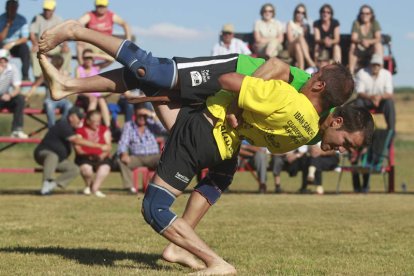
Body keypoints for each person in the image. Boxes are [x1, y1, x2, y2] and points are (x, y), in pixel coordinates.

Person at [38, 21, 374, 274]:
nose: (340, 150)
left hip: (223, 121)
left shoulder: (318, 126)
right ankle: (76, 32)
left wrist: (238, 123)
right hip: (236, 73)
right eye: (345, 144)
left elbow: (268, 131)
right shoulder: (310, 96)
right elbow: (278, 67)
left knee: (219, 173)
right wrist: (237, 108)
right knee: (150, 71)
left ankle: (68, 85)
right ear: (337, 122)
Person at [34, 106, 109, 195]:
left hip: (59, 159)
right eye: (79, 118)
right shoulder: (63, 125)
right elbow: (77, 140)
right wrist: (99, 146)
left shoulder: (73, 129)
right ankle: (46, 182)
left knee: (74, 169)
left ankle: (52, 185)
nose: (81, 120)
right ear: (71, 117)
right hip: (43, 153)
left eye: (82, 118)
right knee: (52, 156)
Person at [116, 103, 165, 193]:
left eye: (144, 115)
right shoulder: (129, 126)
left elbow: (164, 129)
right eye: (140, 115)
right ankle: (130, 188)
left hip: (153, 156)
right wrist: (123, 153)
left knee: (166, 160)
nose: (142, 118)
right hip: (137, 157)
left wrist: (152, 115)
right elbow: (123, 142)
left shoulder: (152, 124)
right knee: (121, 161)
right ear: (135, 114)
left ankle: (161, 187)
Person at [29, 0, 72, 85]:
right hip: (42, 46)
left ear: (54, 9)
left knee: (68, 51)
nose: (47, 11)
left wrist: (65, 45)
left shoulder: (59, 19)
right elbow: (32, 34)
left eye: (49, 9)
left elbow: (64, 34)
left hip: (55, 47)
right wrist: (35, 44)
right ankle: (38, 75)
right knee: (33, 51)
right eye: (45, 9)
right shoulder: (37, 18)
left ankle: (64, 73)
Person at [26, 54, 73, 128]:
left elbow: (69, 86)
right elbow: (35, 85)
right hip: (50, 99)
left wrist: (65, 77)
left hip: (63, 99)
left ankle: (62, 126)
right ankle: (52, 128)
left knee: (69, 105)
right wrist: (27, 96)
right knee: (49, 105)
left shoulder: (65, 73)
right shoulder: (45, 73)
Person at [77, 0, 131, 64]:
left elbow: (125, 24)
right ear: (96, 6)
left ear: (106, 7)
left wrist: (128, 40)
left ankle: (97, 68)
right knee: (80, 44)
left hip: (106, 43)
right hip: (92, 43)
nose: (101, 8)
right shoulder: (90, 15)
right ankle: (82, 68)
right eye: (99, 6)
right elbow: (78, 23)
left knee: (116, 55)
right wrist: (80, 36)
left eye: (103, 6)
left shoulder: (110, 15)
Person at [74, 110, 112, 198]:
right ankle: (88, 185)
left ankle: (95, 188)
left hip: (101, 157)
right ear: (88, 121)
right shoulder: (80, 130)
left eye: (99, 121)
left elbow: (108, 146)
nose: (98, 123)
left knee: (105, 167)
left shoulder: (104, 129)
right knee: (86, 169)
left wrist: (101, 156)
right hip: (85, 157)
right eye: (95, 121)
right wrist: (87, 155)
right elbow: (77, 147)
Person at [354, 53, 395, 131]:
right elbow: (359, 92)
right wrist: (372, 97)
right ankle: (359, 129)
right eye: (374, 64)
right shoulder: (362, 73)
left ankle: (391, 131)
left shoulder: (386, 74)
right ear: (370, 64)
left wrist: (379, 97)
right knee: (358, 102)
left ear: (381, 66)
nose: (375, 67)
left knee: (389, 103)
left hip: (381, 101)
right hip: (366, 100)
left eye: (378, 65)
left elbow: (389, 94)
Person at [75, 49, 113, 127]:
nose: (88, 60)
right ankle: (87, 123)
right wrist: (89, 95)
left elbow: (111, 60)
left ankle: (107, 127)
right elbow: (78, 87)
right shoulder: (79, 69)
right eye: (86, 58)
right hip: (84, 95)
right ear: (83, 58)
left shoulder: (96, 67)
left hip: (97, 96)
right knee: (94, 100)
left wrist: (95, 55)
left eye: (90, 58)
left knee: (101, 100)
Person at [348, 4, 383, 74]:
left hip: (371, 49)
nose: (365, 15)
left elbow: (378, 38)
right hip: (359, 49)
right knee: (352, 45)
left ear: (371, 15)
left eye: (367, 13)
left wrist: (368, 42)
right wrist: (361, 41)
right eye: (362, 13)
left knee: (378, 45)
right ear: (360, 14)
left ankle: (380, 71)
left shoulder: (375, 23)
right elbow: (353, 38)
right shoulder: (356, 23)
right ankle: (351, 72)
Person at [0, 48, 27, 138]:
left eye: (5, 60)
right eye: (1, 60)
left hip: (5, 97)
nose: (3, 63)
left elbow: (17, 88)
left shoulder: (13, 68)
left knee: (20, 99)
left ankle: (17, 130)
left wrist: (10, 95)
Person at [0, 0, 30, 80]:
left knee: (25, 48)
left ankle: (25, 76)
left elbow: (25, 38)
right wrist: (7, 25)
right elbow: (1, 38)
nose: (12, 10)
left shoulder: (22, 20)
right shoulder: (1, 19)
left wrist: (12, 44)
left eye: (14, 8)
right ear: (6, 8)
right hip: (3, 45)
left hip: (16, 45)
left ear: (17, 8)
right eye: (10, 8)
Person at [287, 3, 315, 70]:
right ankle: (309, 60)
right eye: (298, 12)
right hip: (291, 48)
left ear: (304, 15)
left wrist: (305, 30)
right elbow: (290, 40)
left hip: (302, 49)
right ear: (295, 13)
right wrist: (300, 37)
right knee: (299, 38)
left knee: (298, 46)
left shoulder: (306, 26)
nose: (300, 14)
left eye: (303, 13)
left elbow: (307, 42)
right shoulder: (290, 23)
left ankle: (301, 69)